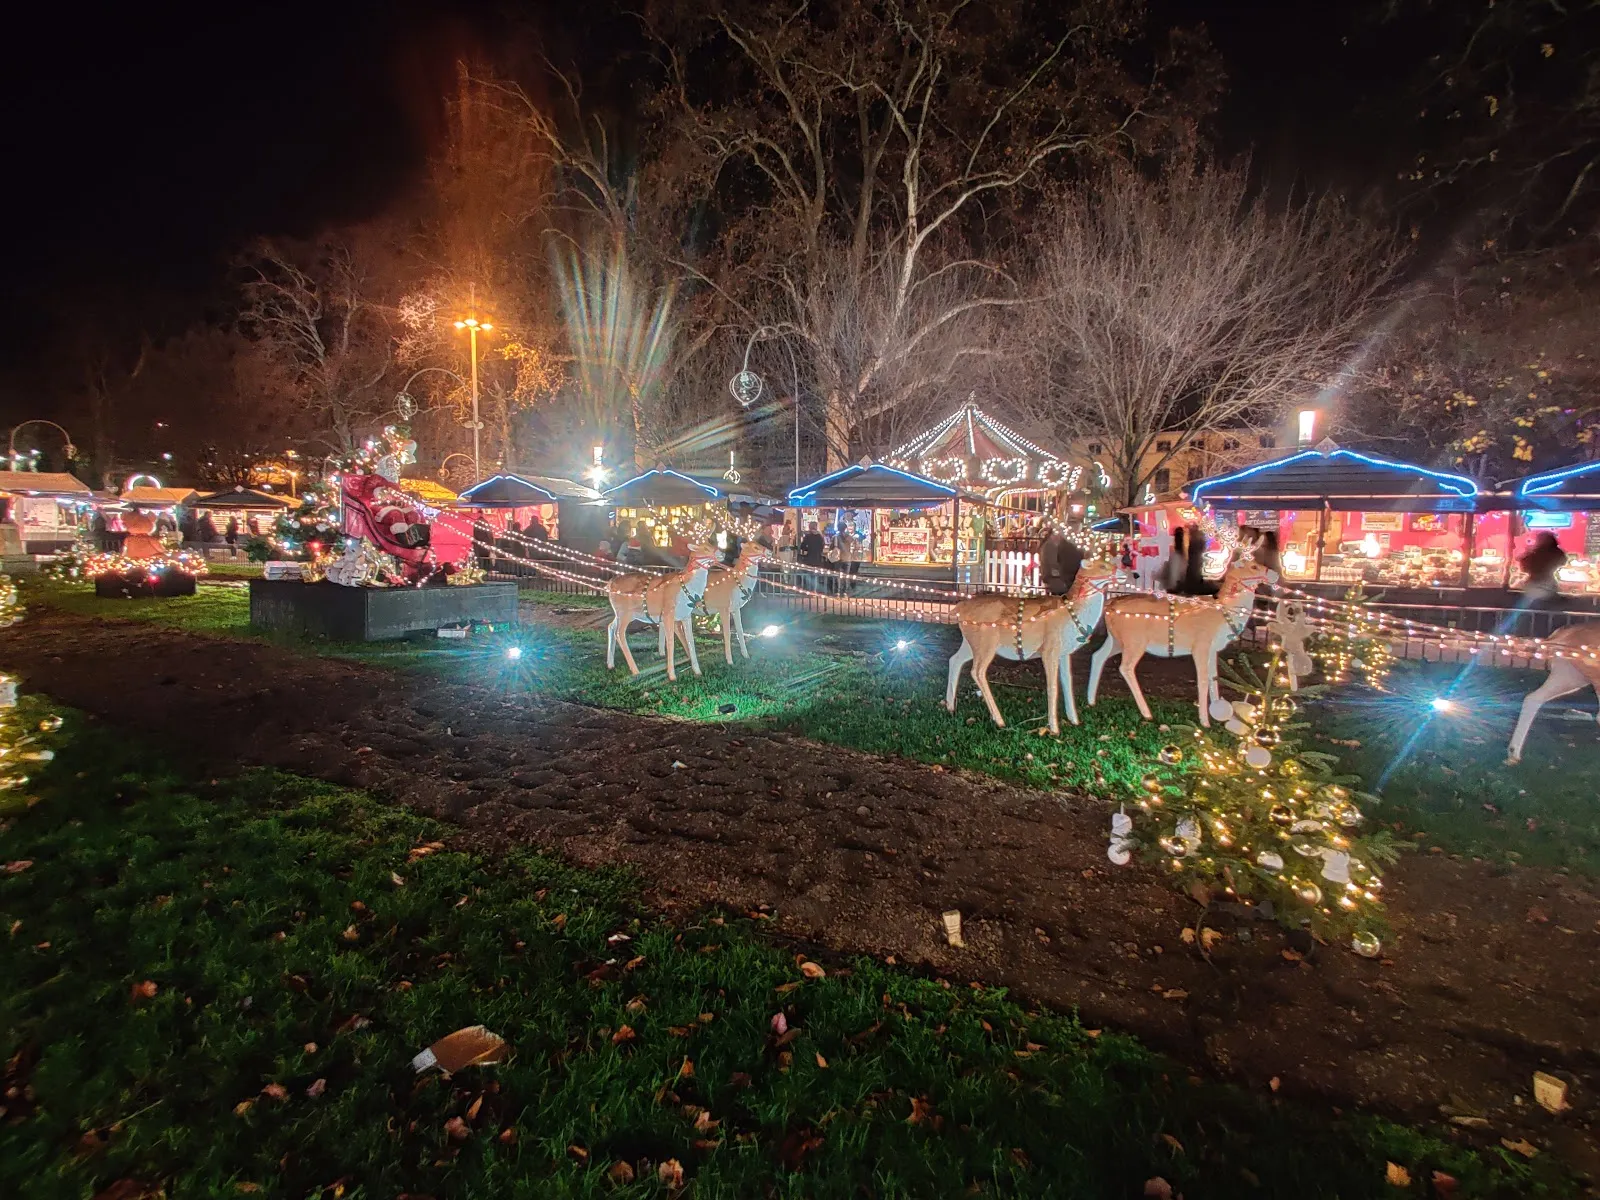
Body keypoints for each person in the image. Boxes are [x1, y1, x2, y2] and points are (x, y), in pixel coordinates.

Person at [1519, 532, 1567, 607]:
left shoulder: (1533, 553)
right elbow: (1563, 561)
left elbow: (1524, 567)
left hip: (1532, 585)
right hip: (1549, 586)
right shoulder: (1557, 553)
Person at [1038, 523, 1082, 596]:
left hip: (1063, 579)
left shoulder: (1062, 544)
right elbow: (1052, 563)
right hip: (1059, 581)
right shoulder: (1050, 545)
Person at [1179, 524, 1215, 596]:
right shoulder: (1201, 537)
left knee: (1192, 573)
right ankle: (1194, 589)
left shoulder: (1191, 538)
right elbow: (1204, 548)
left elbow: (1186, 549)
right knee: (1197, 573)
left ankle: (1190, 590)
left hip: (1192, 559)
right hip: (1198, 558)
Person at [798, 520, 826, 592]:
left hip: (809, 558)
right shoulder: (820, 536)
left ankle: (809, 590)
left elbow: (802, 546)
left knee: (808, 575)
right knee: (815, 576)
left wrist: (807, 549)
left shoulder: (808, 536)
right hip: (817, 559)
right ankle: (814, 590)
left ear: (810, 527)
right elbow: (822, 546)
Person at [835, 523, 863, 593]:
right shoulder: (849, 537)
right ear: (845, 528)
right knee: (846, 575)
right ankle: (846, 590)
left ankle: (839, 590)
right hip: (847, 558)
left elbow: (832, 547)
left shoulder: (836, 537)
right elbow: (856, 545)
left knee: (839, 575)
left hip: (839, 558)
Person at [1161, 527, 1186, 593]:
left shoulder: (1174, 538)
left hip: (1175, 555)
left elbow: (1173, 547)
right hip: (1181, 555)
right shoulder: (1183, 539)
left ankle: (1173, 588)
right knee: (1180, 572)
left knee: (1174, 572)